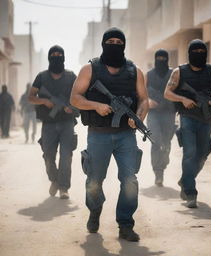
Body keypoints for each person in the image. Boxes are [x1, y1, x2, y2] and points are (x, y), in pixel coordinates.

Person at [70, 27, 148, 242]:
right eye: (110, 41)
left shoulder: (135, 71)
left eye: (118, 41)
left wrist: (138, 117)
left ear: (124, 45)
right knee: (94, 181)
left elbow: (143, 100)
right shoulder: (90, 69)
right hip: (99, 134)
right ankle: (95, 211)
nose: (115, 45)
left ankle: (125, 224)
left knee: (130, 180)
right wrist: (95, 105)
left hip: (126, 135)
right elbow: (75, 98)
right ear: (103, 44)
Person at [164, 39, 211, 208]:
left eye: (202, 52)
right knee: (190, 153)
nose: (199, 54)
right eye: (196, 52)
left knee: (202, 154)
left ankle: (185, 180)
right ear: (189, 53)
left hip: (206, 119)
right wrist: (183, 99)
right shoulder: (179, 72)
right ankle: (191, 192)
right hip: (187, 118)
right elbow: (167, 93)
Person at [29, 45, 77, 200]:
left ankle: (64, 188)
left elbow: (80, 95)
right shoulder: (42, 77)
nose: (57, 56)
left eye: (59, 54)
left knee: (66, 156)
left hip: (67, 123)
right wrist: (43, 100)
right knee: (48, 156)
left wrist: (71, 107)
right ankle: (54, 180)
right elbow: (30, 97)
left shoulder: (71, 76)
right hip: (48, 123)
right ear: (49, 57)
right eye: (54, 54)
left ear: (64, 57)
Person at [146, 49, 176, 186]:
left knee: (166, 143)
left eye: (164, 58)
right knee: (156, 141)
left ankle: (163, 164)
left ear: (168, 59)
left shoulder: (173, 73)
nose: (161, 60)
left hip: (169, 113)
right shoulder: (149, 74)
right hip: (153, 114)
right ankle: (158, 173)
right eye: (158, 58)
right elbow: (141, 93)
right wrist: (148, 100)